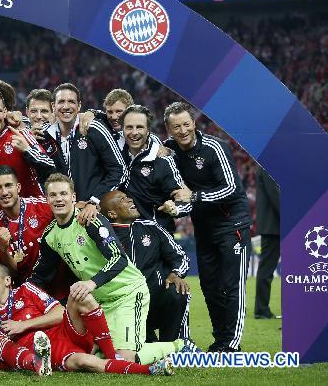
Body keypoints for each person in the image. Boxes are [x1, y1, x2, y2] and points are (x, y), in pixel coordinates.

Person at [31, 174, 184, 364]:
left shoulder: (91, 221)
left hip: (128, 292)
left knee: (123, 359)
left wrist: (91, 282)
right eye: (53, 195)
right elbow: (41, 275)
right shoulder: (50, 235)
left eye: (63, 193)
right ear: (47, 199)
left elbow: (118, 259)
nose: (59, 199)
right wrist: (17, 295)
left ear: (73, 197)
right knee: (94, 356)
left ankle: (178, 346)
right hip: (101, 301)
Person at [163, 102, 252, 352]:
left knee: (232, 284)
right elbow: (180, 195)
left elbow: (231, 188)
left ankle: (231, 344)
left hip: (231, 223)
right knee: (210, 285)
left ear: (194, 123)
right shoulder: (168, 150)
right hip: (203, 225)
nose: (182, 130)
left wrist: (195, 197)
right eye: (176, 126)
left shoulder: (215, 147)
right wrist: (178, 207)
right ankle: (220, 339)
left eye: (186, 124)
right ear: (168, 129)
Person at [0, 262, 174, 375]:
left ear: (7, 281)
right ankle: (149, 370)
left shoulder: (26, 290)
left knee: (80, 295)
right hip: (52, 352)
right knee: (87, 363)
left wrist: (23, 325)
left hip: (65, 330)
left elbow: (58, 313)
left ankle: (110, 353)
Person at [100, 190, 191, 342]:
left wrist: (176, 274)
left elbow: (180, 256)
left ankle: (175, 343)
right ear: (112, 213)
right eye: (122, 199)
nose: (130, 200)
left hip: (155, 302)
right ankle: (147, 340)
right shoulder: (102, 236)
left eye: (128, 197)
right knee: (140, 355)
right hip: (124, 307)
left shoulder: (151, 227)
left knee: (178, 290)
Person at [0, 88, 56, 222]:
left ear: (5, 112)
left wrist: (27, 150)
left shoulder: (20, 135)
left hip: (31, 213)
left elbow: (50, 166)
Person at [40, 83, 125, 206]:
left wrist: (94, 201)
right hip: (60, 211)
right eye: (61, 102)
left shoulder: (94, 128)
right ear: (53, 106)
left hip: (92, 210)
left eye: (71, 102)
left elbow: (119, 170)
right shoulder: (45, 135)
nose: (66, 106)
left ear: (79, 106)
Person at [119, 105, 191, 233]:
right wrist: (91, 113)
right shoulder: (113, 153)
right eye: (129, 127)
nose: (134, 132)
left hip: (156, 234)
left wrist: (175, 209)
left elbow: (185, 199)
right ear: (122, 130)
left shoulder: (163, 160)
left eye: (140, 127)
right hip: (123, 235)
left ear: (148, 131)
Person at [0, 165, 54, 283]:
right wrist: (3, 248)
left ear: (18, 187)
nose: (4, 192)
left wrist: (91, 204)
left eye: (8, 185)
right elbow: (13, 272)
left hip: (60, 278)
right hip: (30, 286)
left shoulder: (42, 205)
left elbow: (70, 210)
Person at [254, 166, 280, 320]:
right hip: (273, 225)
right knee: (267, 269)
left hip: (273, 225)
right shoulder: (268, 167)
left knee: (266, 268)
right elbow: (275, 195)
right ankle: (261, 309)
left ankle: (261, 309)